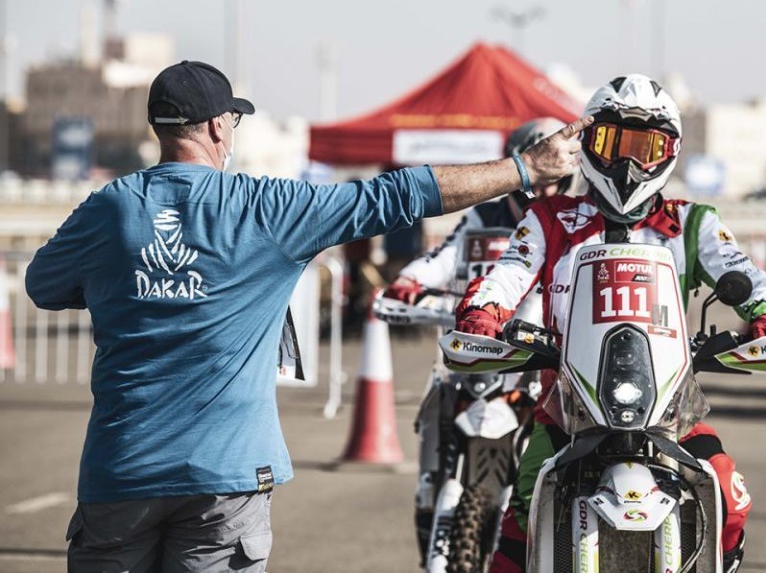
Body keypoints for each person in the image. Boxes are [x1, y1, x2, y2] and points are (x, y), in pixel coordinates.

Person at [24, 59, 590, 572]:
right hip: (227, 477)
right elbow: (400, 196)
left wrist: (140, 287)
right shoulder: (267, 208)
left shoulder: (110, 207)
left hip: (122, 471)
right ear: (220, 127)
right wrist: (523, 168)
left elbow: (44, 285)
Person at [453, 74, 766, 573]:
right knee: (522, 514)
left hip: (670, 408)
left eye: (645, 147)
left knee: (728, 494)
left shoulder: (692, 222)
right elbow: (507, 274)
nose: (628, 163)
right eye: (613, 143)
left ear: (669, 152)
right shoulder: (550, 218)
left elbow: (749, 276)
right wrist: (482, 315)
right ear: (590, 144)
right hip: (569, 408)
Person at [383, 117, 570, 562]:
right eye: (537, 180)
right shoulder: (484, 214)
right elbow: (443, 256)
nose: (543, 192)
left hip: (535, 356)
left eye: (554, 182)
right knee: (438, 398)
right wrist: (410, 281)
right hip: (477, 345)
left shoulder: (570, 219)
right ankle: (430, 489)